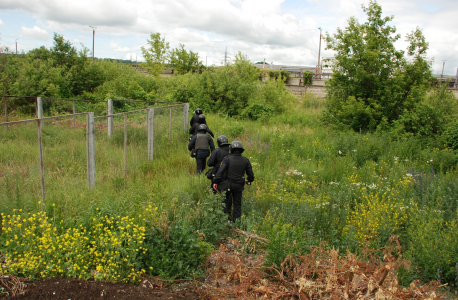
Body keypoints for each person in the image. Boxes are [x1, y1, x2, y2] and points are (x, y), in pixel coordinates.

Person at [212, 141, 255, 222]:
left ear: (231, 149)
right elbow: (251, 175)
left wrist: (216, 181)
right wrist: (249, 180)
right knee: (237, 205)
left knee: (224, 202)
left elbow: (220, 171)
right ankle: (236, 223)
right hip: (239, 185)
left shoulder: (227, 159)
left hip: (228, 184)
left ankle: (225, 220)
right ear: (241, 150)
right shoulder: (246, 160)